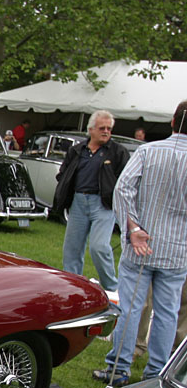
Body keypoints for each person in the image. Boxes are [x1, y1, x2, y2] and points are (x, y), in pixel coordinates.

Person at [93, 100, 187, 386]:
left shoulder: (148, 151)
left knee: (131, 308)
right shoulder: (147, 150)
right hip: (177, 249)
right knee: (167, 313)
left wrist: (132, 227)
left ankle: (119, 369)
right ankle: (155, 374)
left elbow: (122, 189)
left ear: (173, 121)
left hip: (141, 245)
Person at [54, 110, 129, 293]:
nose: (106, 132)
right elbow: (64, 173)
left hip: (103, 204)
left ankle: (111, 287)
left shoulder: (117, 152)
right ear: (90, 130)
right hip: (78, 202)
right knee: (72, 248)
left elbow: (126, 178)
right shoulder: (77, 150)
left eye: (109, 128)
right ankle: (71, 287)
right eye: (101, 128)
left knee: (99, 247)